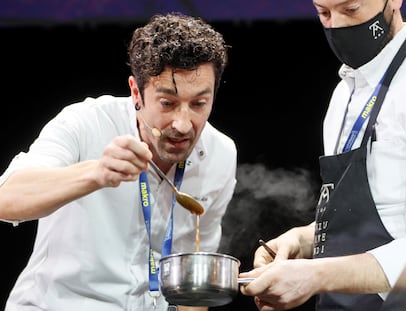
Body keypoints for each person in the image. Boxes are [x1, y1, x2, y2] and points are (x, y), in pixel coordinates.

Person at [0, 12, 237, 311]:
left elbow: (192, 290)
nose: (183, 123)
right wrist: (95, 173)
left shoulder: (222, 154)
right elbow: (6, 198)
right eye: (168, 103)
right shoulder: (85, 122)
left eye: (199, 104)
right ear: (136, 92)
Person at [239, 0, 406, 310]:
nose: (337, 25)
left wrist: (316, 275)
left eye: (351, 9)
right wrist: (305, 240)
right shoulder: (343, 96)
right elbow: (362, 223)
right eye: (324, 13)